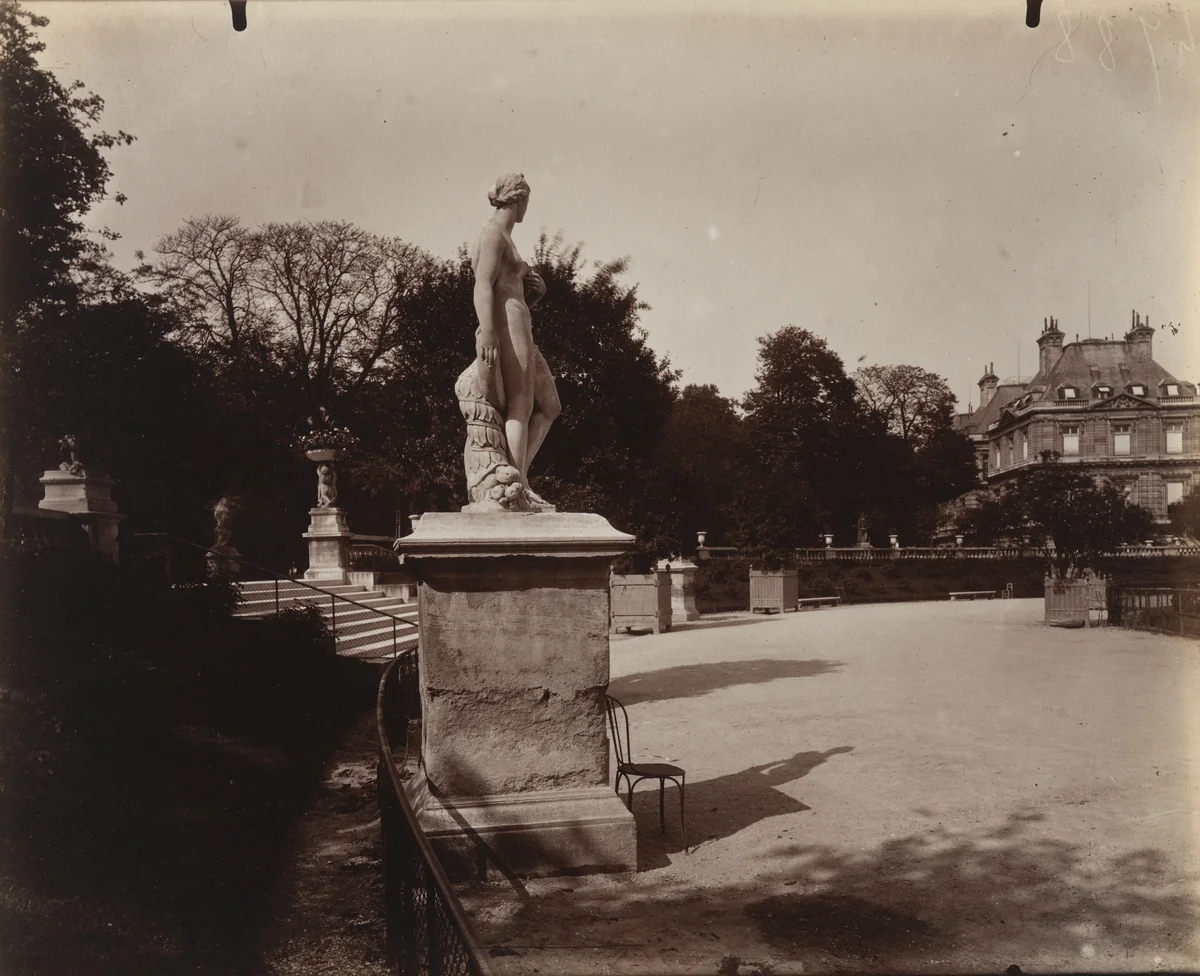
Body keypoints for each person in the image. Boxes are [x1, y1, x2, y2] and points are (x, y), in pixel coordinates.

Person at [470, 173, 561, 504]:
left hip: (519, 323)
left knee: (550, 406)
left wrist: (535, 294)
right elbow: (483, 284)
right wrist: (488, 331)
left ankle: (519, 477)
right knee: (520, 406)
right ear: (518, 200)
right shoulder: (493, 235)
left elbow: (508, 291)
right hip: (506, 326)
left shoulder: (505, 238)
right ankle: (517, 487)